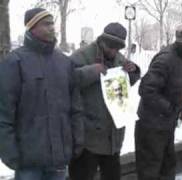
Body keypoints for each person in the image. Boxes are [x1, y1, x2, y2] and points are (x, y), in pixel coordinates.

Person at [0, 8, 84, 180]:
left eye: (53, 23)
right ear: (31, 27)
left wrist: (77, 140)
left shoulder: (64, 62)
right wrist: (10, 153)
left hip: (59, 159)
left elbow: (75, 107)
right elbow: (4, 113)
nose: (52, 28)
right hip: (28, 162)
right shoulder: (14, 62)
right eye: (46, 24)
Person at [68, 23, 140, 180]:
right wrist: (92, 71)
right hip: (88, 138)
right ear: (101, 40)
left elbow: (128, 81)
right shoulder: (81, 56)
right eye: (110, 47)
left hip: (113, 137)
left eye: (117, 48)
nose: (113, 51)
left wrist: (133, 71)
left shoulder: (118, 58)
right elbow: (67, 81)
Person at [135, 21, 182, 180]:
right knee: (150, 170)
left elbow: (180, 82)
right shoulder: (165, 60)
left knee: (168, 166)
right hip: (151, 126)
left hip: (167, 123)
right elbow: (146, 89)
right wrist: (169, 107)